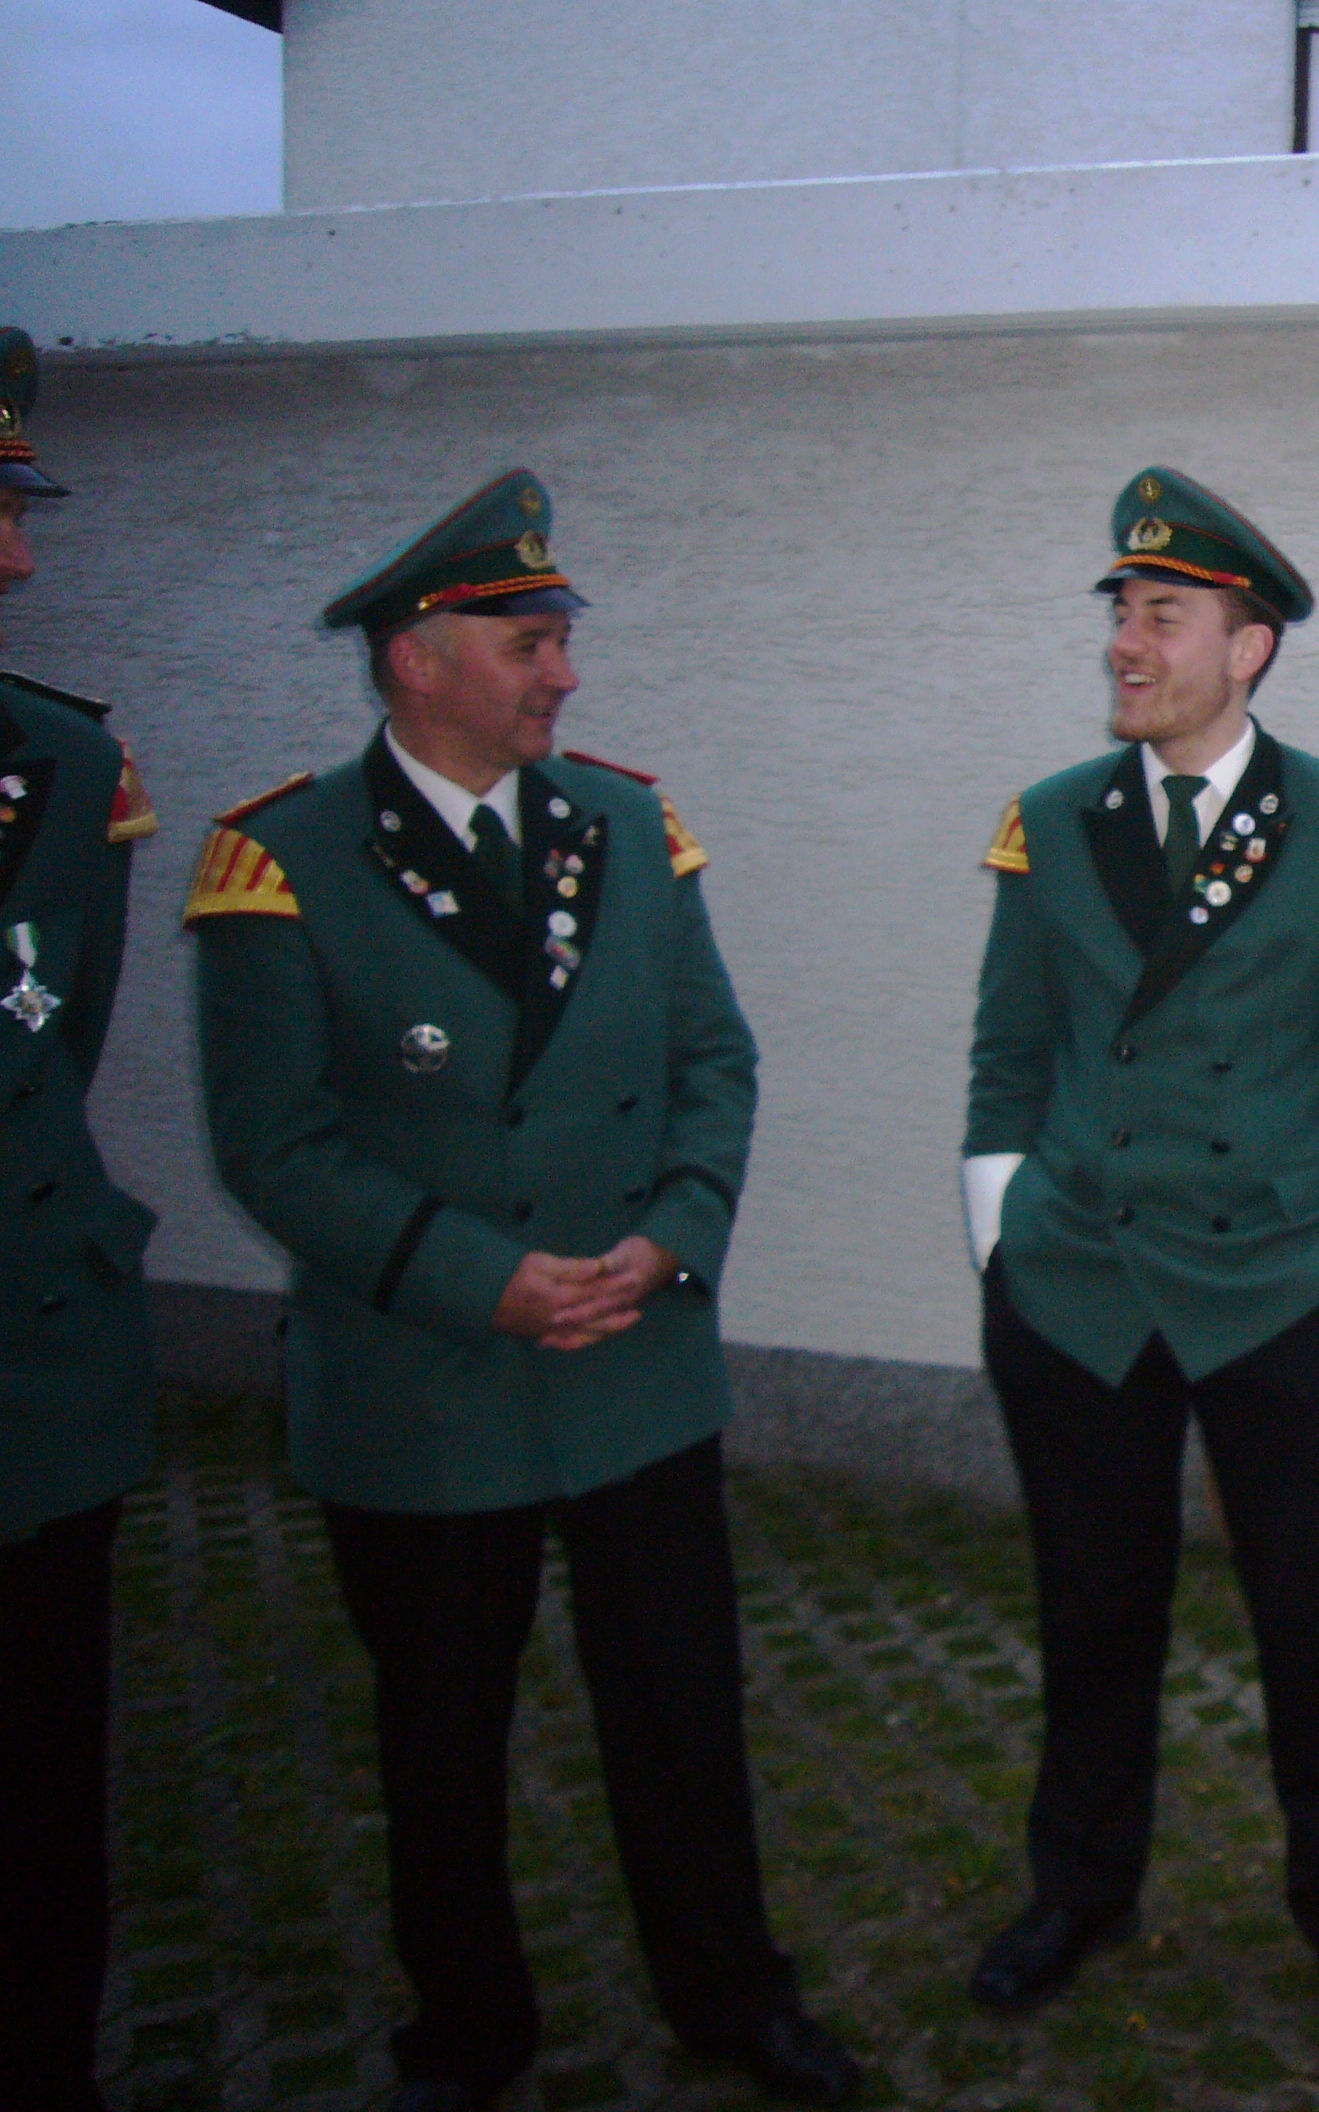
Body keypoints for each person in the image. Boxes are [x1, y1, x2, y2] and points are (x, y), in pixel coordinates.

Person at [186, 472, 857, 2112]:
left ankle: (731, 1994)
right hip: (429, 1380)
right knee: (440, 1736)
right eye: (530, 643)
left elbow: (714, 1064)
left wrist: (674, 1238)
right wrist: (486, 1282)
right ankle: (469, 2028)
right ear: (419, 659)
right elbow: (275, 1147)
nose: (565, 672)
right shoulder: (281, 862)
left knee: (682, 1713)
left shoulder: (628, 827)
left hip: (634, 1356)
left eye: (562, 638)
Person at [959, 466, 1319, 2065]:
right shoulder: (1051, 823)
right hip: (1080, 1289)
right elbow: (1007, 1057)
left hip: (1272, 1295)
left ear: (1249, 649)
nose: (1126, 639)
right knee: (1093, 1616)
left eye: (1162, 614)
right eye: (1121, 609)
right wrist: (1004, 1252)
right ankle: (1080, 1890)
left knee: (1312, 1632)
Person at [0, 325, 161, 2112]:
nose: (21, 558)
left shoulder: (57, 769)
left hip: (39, 1387)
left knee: (46, 1816)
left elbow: (55, 1061)